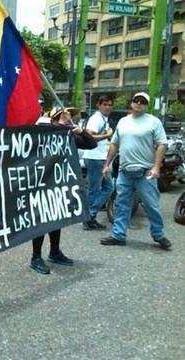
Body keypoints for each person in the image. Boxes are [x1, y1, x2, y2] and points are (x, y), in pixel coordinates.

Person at [30, 107, 97, 274]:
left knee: (56, 219)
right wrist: (57, 126)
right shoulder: (43, 133)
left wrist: (82, 132)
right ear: (53, 120)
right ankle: (35, 257)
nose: (68, 119)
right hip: (42, 185)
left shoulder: (69, 137)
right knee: (41, 221)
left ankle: (54, 252)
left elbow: (91, 144)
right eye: (63, 117)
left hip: (59, 185)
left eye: (70, 117)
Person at [100, 92, 172, 249]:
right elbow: (114, 144)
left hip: (146, 172)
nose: (139, 103)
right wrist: (106, 164)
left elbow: (161, 145)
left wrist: (156, 167)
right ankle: (118, 235)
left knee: (151, 205)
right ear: (131, 103)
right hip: (125, 171)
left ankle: (158, 235)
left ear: (147, 105)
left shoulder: (154, 122)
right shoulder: (123, 122)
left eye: (143, 101)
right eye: (136, 100)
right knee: (122, 204)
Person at [82, 95, 114, 230]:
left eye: (109, 105)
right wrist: (106, 136)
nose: (107, 107)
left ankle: (91, 215)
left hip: (99, 158)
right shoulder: (96, 119)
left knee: (107, 187)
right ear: (98, 105)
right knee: (95, 189)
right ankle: (88, 218)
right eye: (105, 104)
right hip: (95, 158)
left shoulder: (103, 119)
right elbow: (88, 136)